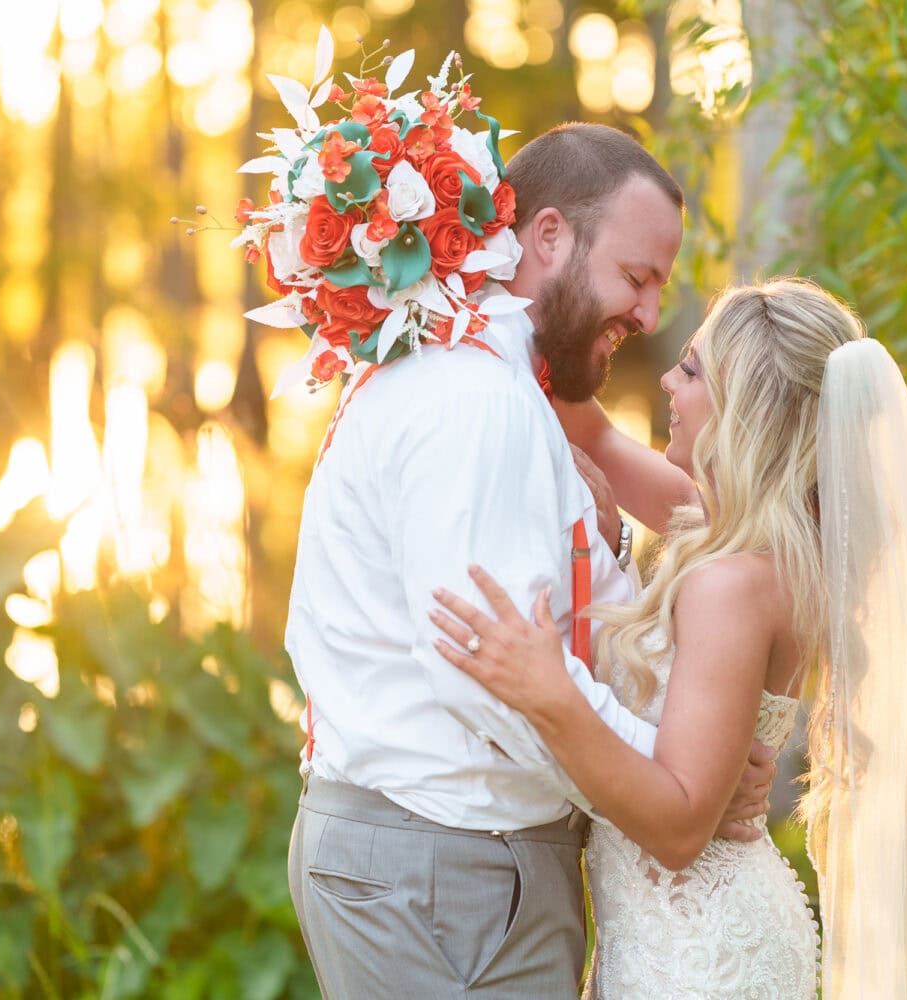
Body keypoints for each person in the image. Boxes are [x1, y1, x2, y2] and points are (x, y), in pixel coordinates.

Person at [284, 122, 777, 998]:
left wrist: (701, 748)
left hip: (465, 871)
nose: (650, 318)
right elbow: (494, 685)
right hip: (444, 873)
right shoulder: (479, 403)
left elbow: (551, 639)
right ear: (548, 236)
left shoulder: (510, 392)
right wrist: (672, 779)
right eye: (636, 277)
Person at [433, 277, 907, 997]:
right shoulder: (758, 542)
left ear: (749, 410)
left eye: (694, 370)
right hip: (682, 935)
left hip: (698, 954)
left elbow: (676, 829)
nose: (667, 378)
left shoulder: (732, 582)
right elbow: (595, 432)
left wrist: (549, 693)